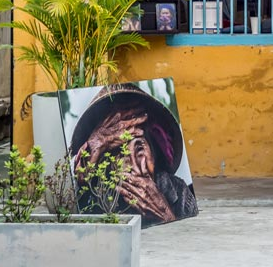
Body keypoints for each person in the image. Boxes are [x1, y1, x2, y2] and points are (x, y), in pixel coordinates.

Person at [70, 83, 198, 226]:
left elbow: (187, 238)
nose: (132, 164)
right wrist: (92, 147)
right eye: (119, 152)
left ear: (154, 154)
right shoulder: (91, 193)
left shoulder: (177, 191)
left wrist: (164, 213)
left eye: (139, 149)